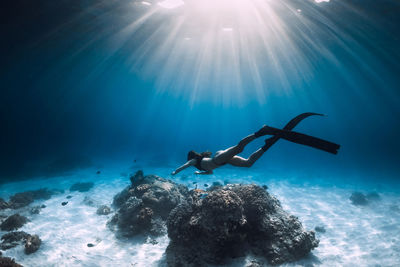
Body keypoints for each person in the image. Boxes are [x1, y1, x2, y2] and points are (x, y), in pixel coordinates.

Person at [171, 112, 340, 175]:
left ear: (191, 156)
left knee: (239, 147)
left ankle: (261, 132)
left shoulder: (194, 161)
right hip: (222, 161)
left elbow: (184, 165)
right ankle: (267, 144)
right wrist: (200, 175)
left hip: (220, 158)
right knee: (248, 164)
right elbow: (210, 173)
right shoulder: (200, 168)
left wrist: (175, 172)